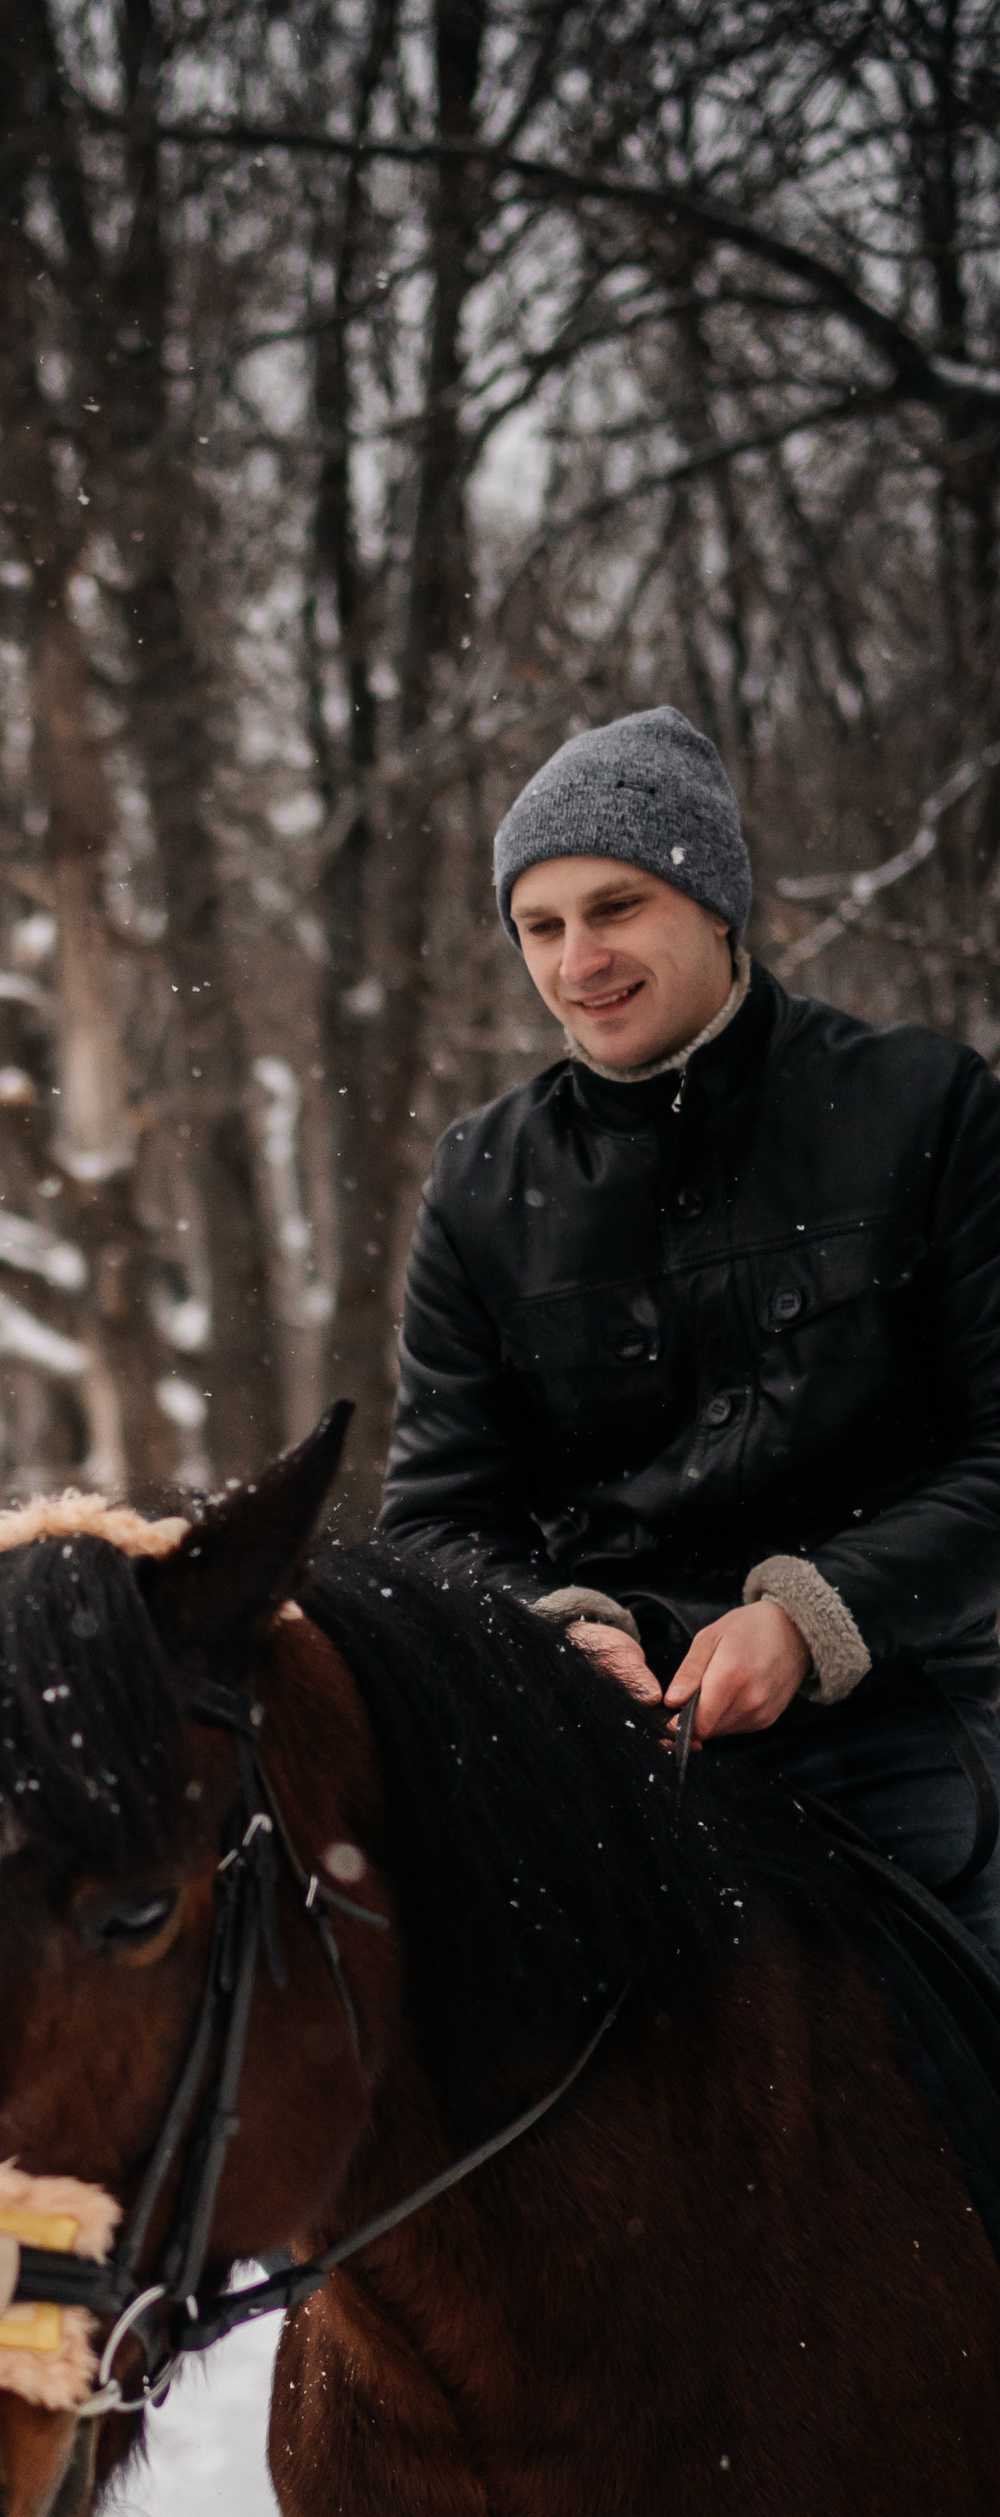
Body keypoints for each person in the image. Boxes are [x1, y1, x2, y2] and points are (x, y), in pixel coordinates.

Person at [380, 701, 1000, 1949]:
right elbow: (438, 1519)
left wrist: (815, 1620)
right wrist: (563, 1637)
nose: (577, 962)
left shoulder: (920, 1103)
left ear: (714, 903)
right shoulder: (480, 1182)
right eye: (538, 927)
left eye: (616, 908)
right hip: (597, 1751)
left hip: (905, 1723)